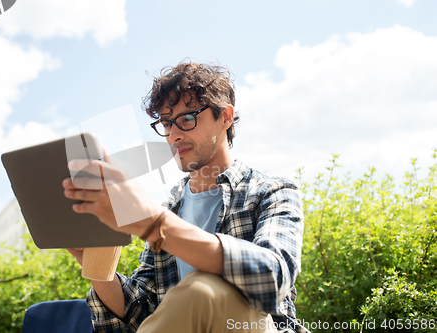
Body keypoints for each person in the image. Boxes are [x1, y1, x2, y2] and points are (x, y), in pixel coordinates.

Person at [63, 61, 308, 333]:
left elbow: (273, 278)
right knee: (190, 294)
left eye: (187, 119)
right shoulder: (170, 209)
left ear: (225, 117)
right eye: (166, 124)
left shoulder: (272, 191)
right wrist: (98, 271)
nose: (174, 135)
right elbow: (144, 315)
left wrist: (156, 226)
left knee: (203, 289)